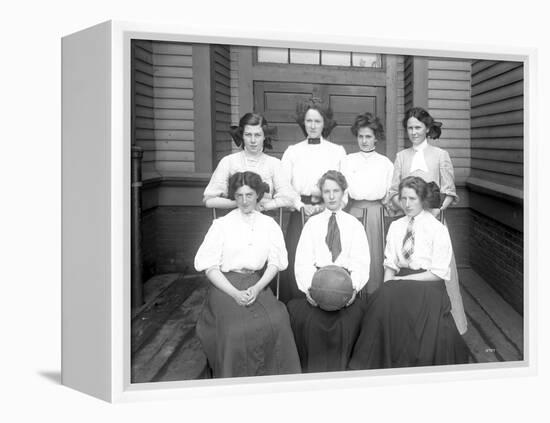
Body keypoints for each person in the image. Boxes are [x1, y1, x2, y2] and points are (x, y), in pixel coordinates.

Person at [349, 176, 469, 370]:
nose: (406, 204)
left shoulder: (437, 229)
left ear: (422, 199)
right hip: (400, 279)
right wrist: (388, 285)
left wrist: (402, 280)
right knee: (382, 300)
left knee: (417, 315)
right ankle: (382, 362)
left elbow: (438, 273)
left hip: (428, 283)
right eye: (403, 198)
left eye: (412, 199)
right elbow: (391, 264)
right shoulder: (396, 226)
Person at [194, 171, 301, 378]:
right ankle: (235, 380)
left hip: (255, 280)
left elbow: (275, 262)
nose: (244, 200)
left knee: (278, 320)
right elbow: (209, 267)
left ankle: (276, 379)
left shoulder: (269, 225)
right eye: (240, 195)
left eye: (249, 195)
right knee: (234, 330)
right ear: (234, 196)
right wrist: (234, 293)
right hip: (224, 284)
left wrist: (259, 286)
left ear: (258, 195)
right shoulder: (222, 225)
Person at [387, 106, 468, 335]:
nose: (413, 132)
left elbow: (450, 192)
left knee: (440, 269)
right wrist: (407, 208)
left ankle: (448, 325)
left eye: (418, 127)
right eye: (410, 127)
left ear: (427, 128)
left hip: (434, 221)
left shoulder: (440, 155)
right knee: (408, 263)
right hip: (408, 221)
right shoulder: (401, 157)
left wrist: (434, 211)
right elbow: (393, 192)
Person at [287, 170, 370, 373]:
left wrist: (353, 288)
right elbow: (302, 262)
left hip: (345, 288)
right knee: (308, 322)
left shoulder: (355, 225)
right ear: (321, 194)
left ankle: (344, 372)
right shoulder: (312, 225)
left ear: (343, 193)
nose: (331, 196)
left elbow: (362, 262)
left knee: (350, 320)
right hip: (317, 286)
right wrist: (309, 289)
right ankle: (312, 373)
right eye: (326, 191)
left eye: (336, 191)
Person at [280, 98, 347, 303]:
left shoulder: (336, 151)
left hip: (328, 208)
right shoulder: (293, 151)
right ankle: (297, 302)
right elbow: (284, 185)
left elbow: (344, 186)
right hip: (299, 209)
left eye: (317, 121)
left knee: (325, 254)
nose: (312, 125)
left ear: (324, 123)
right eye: (309, 121)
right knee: (298, 256)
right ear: (303, 122)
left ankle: (327, 298)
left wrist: (326, 207)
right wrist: (301, 206)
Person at [341, 112, 393, 296]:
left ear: (376, 138)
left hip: (376, 214)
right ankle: (353, 293)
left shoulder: (385, 163)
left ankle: (374, 294)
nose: (364, 141)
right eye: (361, 136)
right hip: (353, 210)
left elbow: (389, 193)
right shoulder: (348, 160)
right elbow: (343, 191)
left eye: (368, 136)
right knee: (353, 253)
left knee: (375, 254)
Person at [203, 112, 298, 212]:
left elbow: (289, 198)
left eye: (257, 135)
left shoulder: (274, 164)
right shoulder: (228, 162)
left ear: (264, 136)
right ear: (242, 135)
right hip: (234, 222)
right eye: (248, 135)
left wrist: (265, 206)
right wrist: (240, 203)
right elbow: (209, 200)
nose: (253, 140)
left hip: (263, 221)